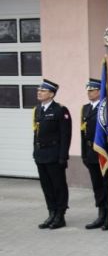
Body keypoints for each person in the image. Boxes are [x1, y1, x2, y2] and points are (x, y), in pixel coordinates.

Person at [32, 79, 72, 230]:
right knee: (46, 186)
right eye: (39, 90)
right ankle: (51, 213)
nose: (39, 92)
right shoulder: (37, 109)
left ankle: (60, 216)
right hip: (40, 154)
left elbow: (65, 135)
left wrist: (63, 156)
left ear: (51, 94)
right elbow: (36, 133)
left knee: (58, 186)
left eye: (42, 91)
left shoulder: (60, 110)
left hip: (54, 154)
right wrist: (35, 152)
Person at [80, 78, 108, 230]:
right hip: (91, 152)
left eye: (92, 90)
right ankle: (100, 213)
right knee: (97, 186)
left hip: (104, 154)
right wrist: (83, 154)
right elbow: (83, 133)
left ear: (100, 91)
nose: (89, 93)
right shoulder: (85, 109)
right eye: (88, 90)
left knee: (107, 184)